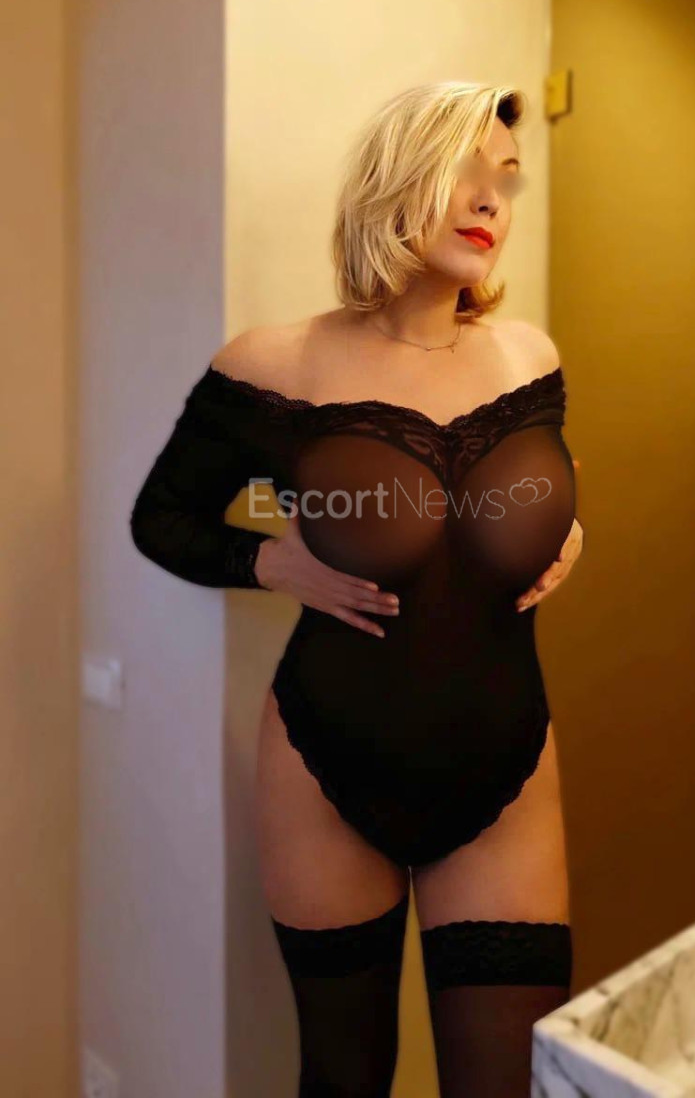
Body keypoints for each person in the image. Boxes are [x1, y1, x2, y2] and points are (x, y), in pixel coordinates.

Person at [129, 79, 584, 1098]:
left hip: (505, 772)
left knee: (506, 1081)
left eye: (507, 181)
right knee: (344, 1078)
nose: (492, 201)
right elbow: (163, 517)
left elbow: (536, 486)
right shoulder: (276, 362)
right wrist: (272, 561)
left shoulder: (528, 356)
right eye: (465, 173)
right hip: (322, 766)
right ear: (396, 179)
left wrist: (568, 532)